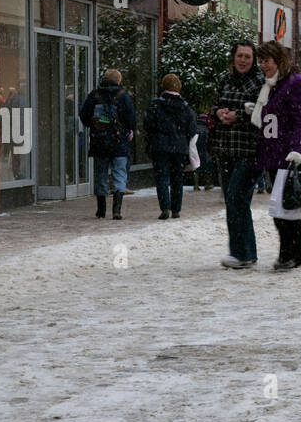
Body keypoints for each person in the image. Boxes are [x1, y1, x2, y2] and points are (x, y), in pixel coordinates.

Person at [251, 43, 301, 271]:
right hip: (275, 151)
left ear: (278, 61)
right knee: (286, 205)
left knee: (285, 206)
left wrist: (297, 148)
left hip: (291, 153)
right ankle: (295, 255)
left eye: (266, 61)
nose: (263, 65)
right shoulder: (271, 85)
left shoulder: (295, 83)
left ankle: (288, 254)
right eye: (261, 61)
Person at [211, 40, 263, 268]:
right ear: (233, 57)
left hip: (249, 150)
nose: (243, 60)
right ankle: (240, 252)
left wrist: (238, 116)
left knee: (236, 198)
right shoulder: (224, 79)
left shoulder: (259, 81)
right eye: (240, 55)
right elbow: (213, 106)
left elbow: (260, 112)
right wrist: (219, 112)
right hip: (225, 148)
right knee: (233, 201)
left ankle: (244, 253)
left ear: (253, 60)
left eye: (247, 57)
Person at [79, 68, 136, 220]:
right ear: (118, 81)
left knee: (101, 174)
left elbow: (84, 115)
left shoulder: (95, 95)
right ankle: (116, 209)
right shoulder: (123, 96)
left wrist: (95, 126)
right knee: (119, 174)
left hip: (100, 142)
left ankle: (101, 209)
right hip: (119, 142)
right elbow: (131, 118)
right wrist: (127, 130)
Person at [143, 75, 198, 220]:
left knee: (161, 177)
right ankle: (176, 209)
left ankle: (165, 207)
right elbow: (192, 129)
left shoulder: (155, 105)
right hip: (179, 147)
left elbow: (148, 125)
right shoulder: (185, 107)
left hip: (160, 146)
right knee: (177, 178)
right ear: (178, 87)